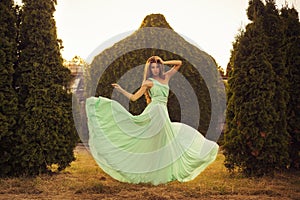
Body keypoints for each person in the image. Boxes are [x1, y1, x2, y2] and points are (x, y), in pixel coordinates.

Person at [85, 56, 219, 185]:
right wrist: (121, 90)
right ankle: (151, 172)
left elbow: (179, 63)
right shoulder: (148, 82)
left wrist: (162, 61)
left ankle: (159, 173)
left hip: (163, 112)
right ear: (149, 69)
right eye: (152, 67)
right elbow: (133, 98)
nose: (155, 69)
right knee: (157, 142)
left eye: (157, 67)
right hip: (154, 112)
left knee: (165, 142)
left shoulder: (166, 77)